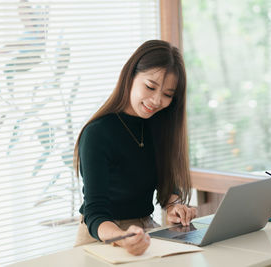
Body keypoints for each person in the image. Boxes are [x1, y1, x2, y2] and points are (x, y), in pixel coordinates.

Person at [73, 40, 197, 255]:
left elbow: (165, 183)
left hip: (144, 230)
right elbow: (95, 213)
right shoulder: (97, 133)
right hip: (104, 235)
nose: (157, 100)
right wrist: (122, 238)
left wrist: (174, 206)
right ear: (130, 76)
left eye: (168, 95)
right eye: (150, 87)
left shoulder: (158, 125)